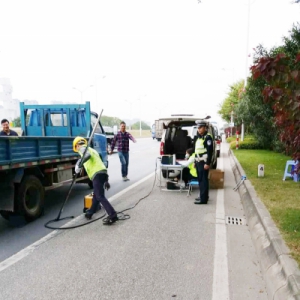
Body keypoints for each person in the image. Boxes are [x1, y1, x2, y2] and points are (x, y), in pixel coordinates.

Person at [73, 136, 118, 225]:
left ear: (77, 145)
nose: (77, 149)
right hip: (102, 173)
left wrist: (79, 165)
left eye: (76, 147)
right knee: (96, 196)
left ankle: (113, 215)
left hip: (96, 174)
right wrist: (106, 180)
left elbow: (87, 156)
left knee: (99, 196)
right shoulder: (92, 150)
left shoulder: (83, 149)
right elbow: (100, 163)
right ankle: (90, 213)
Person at [193, 121, 213, 204]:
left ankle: (203, 200)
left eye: (200, 127)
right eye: (198, 127)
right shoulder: (198, 137)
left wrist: (208, 163)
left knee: (203, 180)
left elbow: (210, 151)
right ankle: (203, 196)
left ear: (205, 127)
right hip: (198, 162)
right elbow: (196, 151)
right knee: (200, 180)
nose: (199, 129)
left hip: (203, 162)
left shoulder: (207, 138)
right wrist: (194, 161)